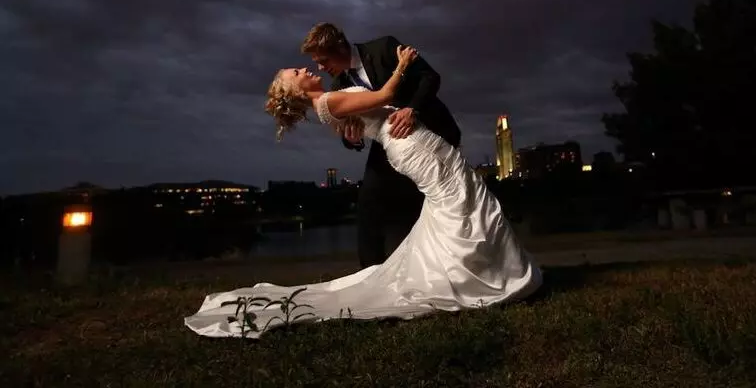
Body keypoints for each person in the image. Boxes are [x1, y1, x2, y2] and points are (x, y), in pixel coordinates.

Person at [184, 45, 542, 338]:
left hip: (415, 140)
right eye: (296, 73)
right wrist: (402, 64)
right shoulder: (328, 103)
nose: (304, 68)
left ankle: (482, 273)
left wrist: (354, 126)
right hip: (409, 146)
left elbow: (363, 117)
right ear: (295, 91)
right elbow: (385, 95)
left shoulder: (331, 99)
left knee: (460, 202)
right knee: (461, 202)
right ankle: (486, 278)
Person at [300, 23, 461, 268]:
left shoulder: (384, 47)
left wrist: (412, 110)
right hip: (388, 144)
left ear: (340, 47)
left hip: (428, 131)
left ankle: (437, 264)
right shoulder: (337, 85)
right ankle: (370, 273)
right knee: (368, 203)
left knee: (427, 204)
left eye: (322, 59)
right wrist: (352, 139)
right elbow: (347, 128)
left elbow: (430, 77)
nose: (320, 68)